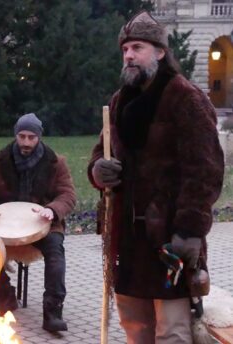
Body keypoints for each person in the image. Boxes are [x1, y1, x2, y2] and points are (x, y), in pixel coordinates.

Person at [88, 11, 224, 344]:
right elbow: (101, 151)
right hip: (128, 241)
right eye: (125, 50)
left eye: (137, 47)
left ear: (160, 52)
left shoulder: (186, 98)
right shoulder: (120, 101)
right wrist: (98, 171)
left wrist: (189, 231)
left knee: (172, 332)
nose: (129, 56)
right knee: (135, 327)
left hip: (169, 240)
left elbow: (205, 169)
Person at [0, 113, 76, 332]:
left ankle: (52, 310)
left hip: (44, 224)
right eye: (22, 136)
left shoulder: (55, 162)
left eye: (31, 137)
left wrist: (52, 209)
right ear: (16, 135)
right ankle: (5, 294)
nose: (26, 142)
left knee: (56, 252)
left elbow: (67, 195)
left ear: (39, 137)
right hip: (5, 225)